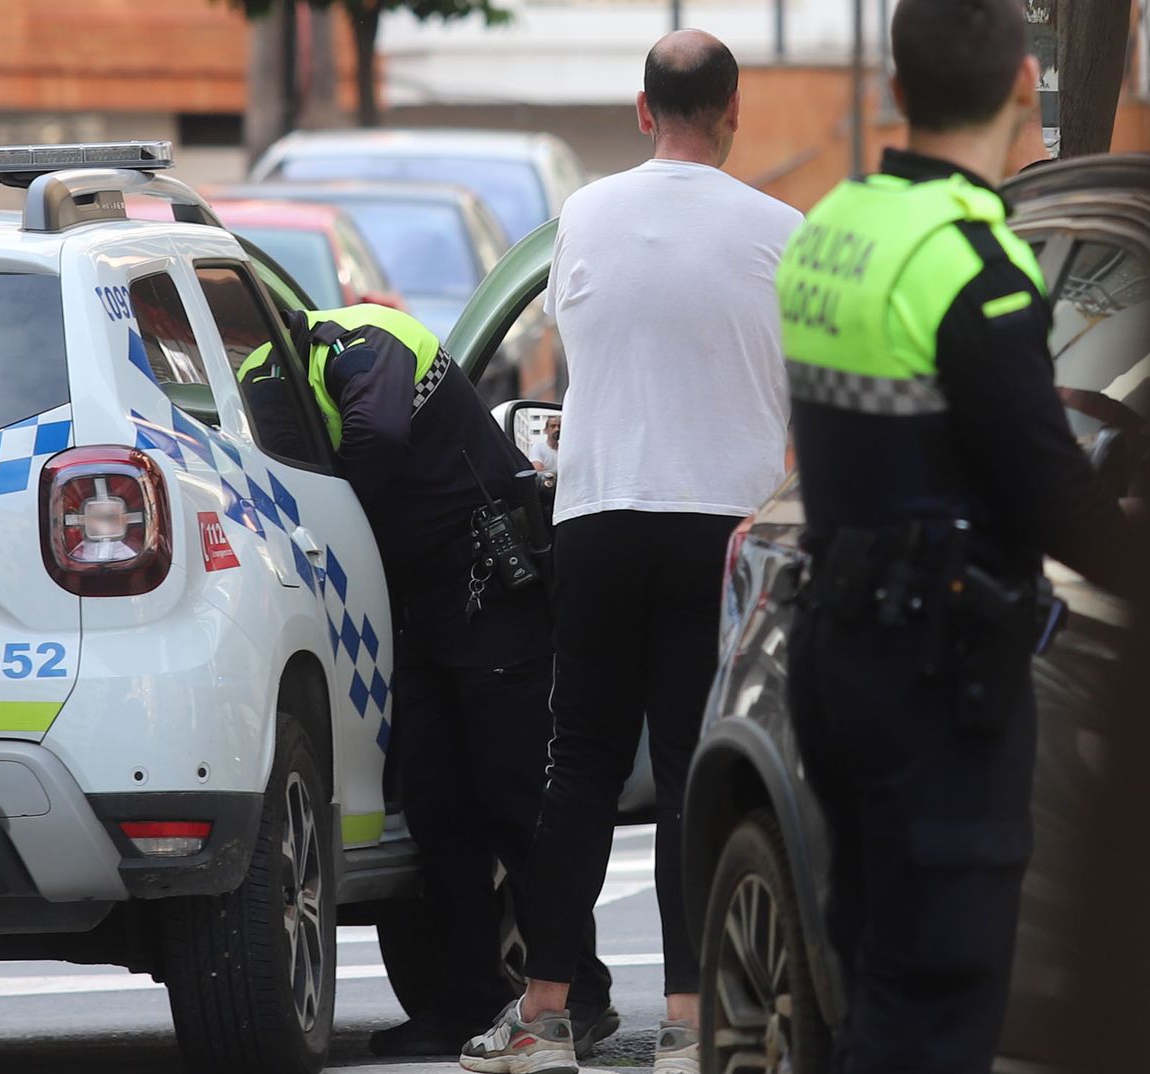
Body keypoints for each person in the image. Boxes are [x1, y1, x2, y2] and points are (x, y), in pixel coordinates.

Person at [778, 1, 1135, 1070]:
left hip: (837, 652)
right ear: (1026, 84)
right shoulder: (975, 268)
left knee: (878, 974)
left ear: (896, 85)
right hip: (939, 675)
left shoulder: (832, 232)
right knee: (939, 1003)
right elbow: (1051, 493)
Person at [463, 30, 802, 1074]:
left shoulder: (581, 217)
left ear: (643, 111)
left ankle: (543, 1015)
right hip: (723, 530)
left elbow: (574, 337)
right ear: (735, 111)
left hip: (600, 520)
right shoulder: (784, 232)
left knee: (579, 771)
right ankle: (693, 1022)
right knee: (700, 776)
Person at [241, 305, 619, 1059]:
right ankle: (466, 999)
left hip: (491, 591)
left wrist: (337, 514)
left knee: (516, 799)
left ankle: (581, 993)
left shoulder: (365, 342)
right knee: (441, 809)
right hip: (420, 608)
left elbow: (374, 438)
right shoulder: (266, 371)